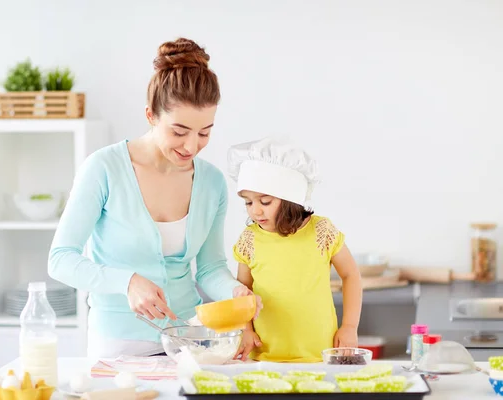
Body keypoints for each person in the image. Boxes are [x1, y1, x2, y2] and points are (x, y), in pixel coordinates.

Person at [48, 37, 258, 359]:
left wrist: (235, 292)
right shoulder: (103, 169)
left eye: (204, 133)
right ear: (150, 115)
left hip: (190, 338)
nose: (191, 146)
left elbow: (209, 268)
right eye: (179, 131)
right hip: (118, 343)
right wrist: (127, 282)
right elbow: (61, 259)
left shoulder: (212, 183)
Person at [228, 138, 363, 363]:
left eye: (265, 201)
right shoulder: (249, 239)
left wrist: (349, 326)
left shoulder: (322, 231)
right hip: (265, 356)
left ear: (291, 199)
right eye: (248, 203)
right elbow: (244, 291)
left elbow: (351, 275)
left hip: (318, 355)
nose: (256, 211)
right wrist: (246, 330)